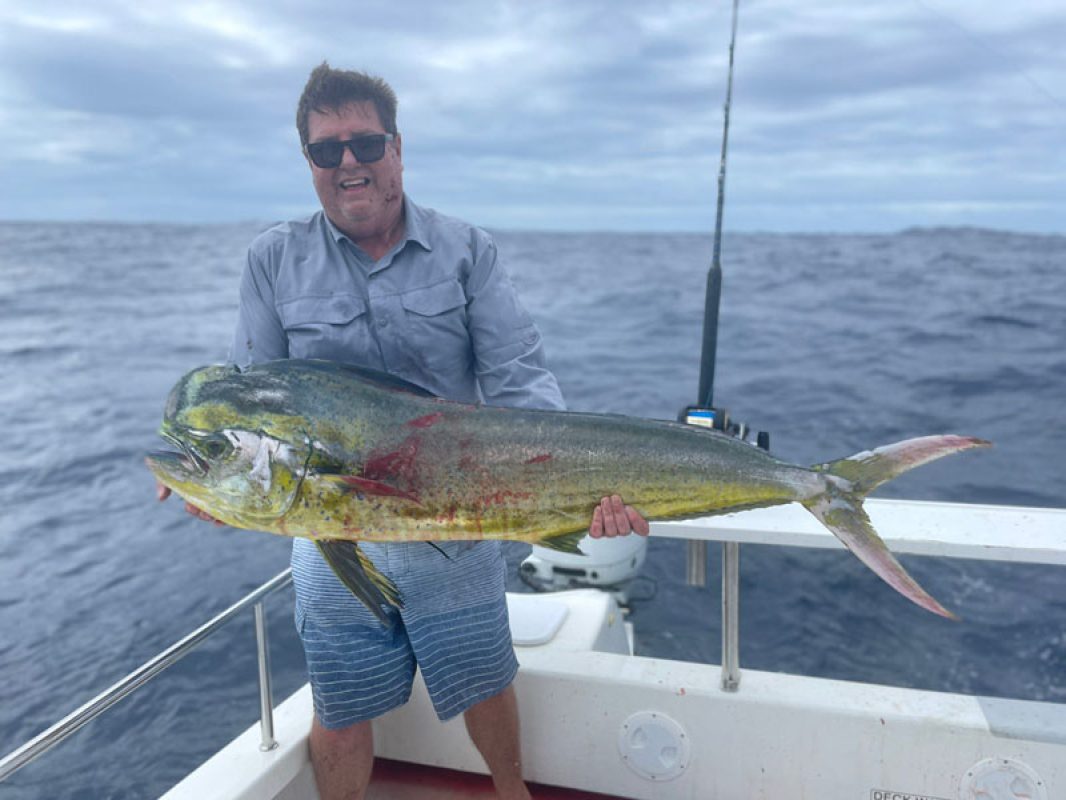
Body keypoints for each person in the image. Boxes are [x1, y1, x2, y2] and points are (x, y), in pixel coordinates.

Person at [157, 63, 648, 800]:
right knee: (342, 702)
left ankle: (512, 794)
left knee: (485, 683)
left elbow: (520, 380)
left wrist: (585, 490)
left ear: (397, 148)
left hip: (457, 518)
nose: (348, 163)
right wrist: (217, 480)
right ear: (310, 164)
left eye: (365, 143)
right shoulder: (271, 260)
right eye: (328, 151)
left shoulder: (466, 251)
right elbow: (250, 404)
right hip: (329, 532)